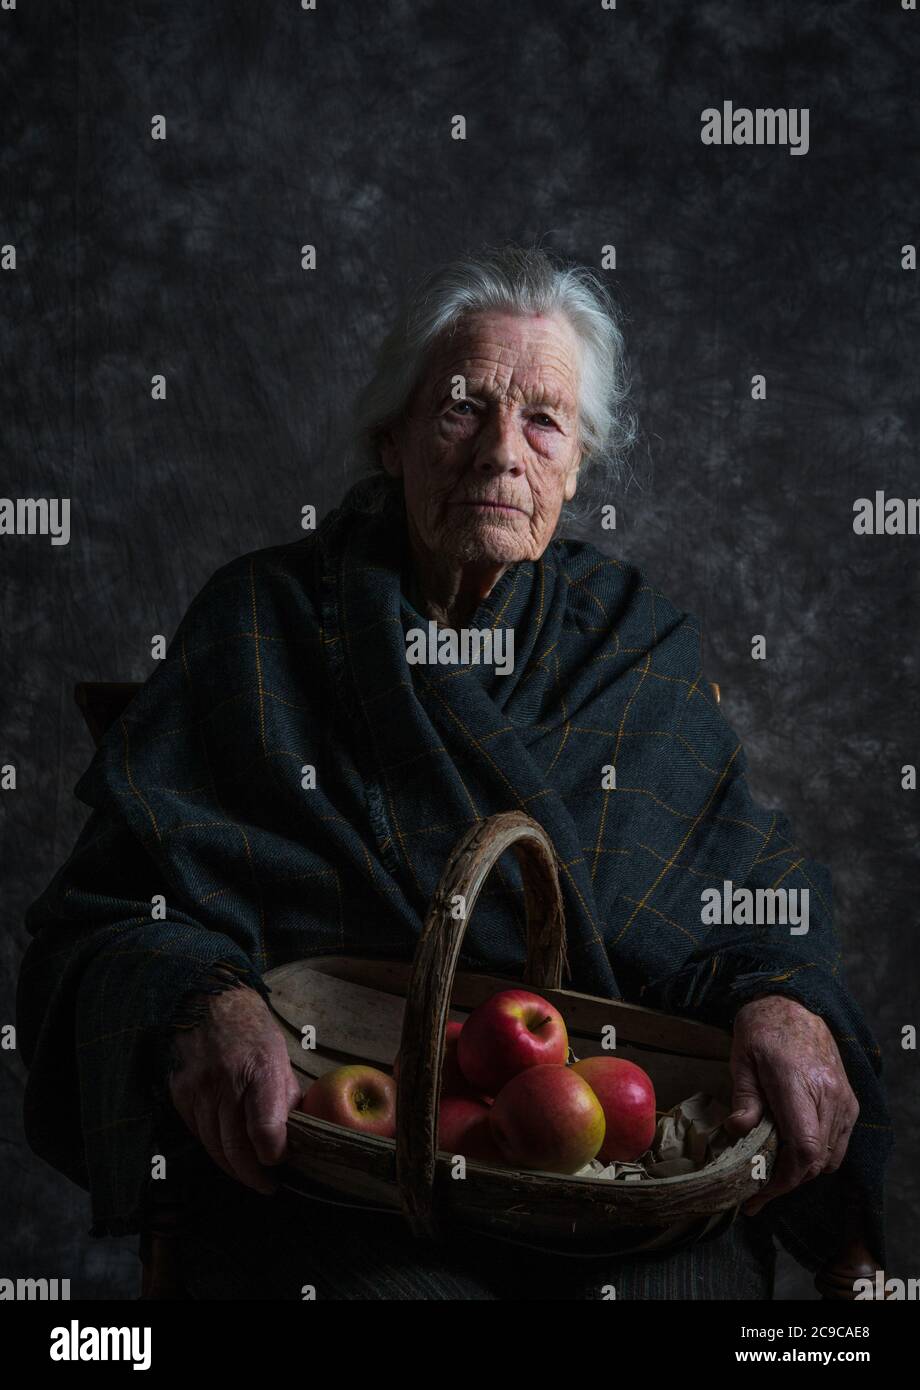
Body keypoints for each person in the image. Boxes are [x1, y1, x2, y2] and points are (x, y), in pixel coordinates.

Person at [17, 244, 892, 1299]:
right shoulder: (258, 627)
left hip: (619, 1170)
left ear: (576, 467)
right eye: (460, 410)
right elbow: (109, 913)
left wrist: (783, 1002)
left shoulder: (636, 646)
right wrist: (202, 1001)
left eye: (542, 421)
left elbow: (742, 901)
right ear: (390, 441)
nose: (499, 454)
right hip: (343, 1164)